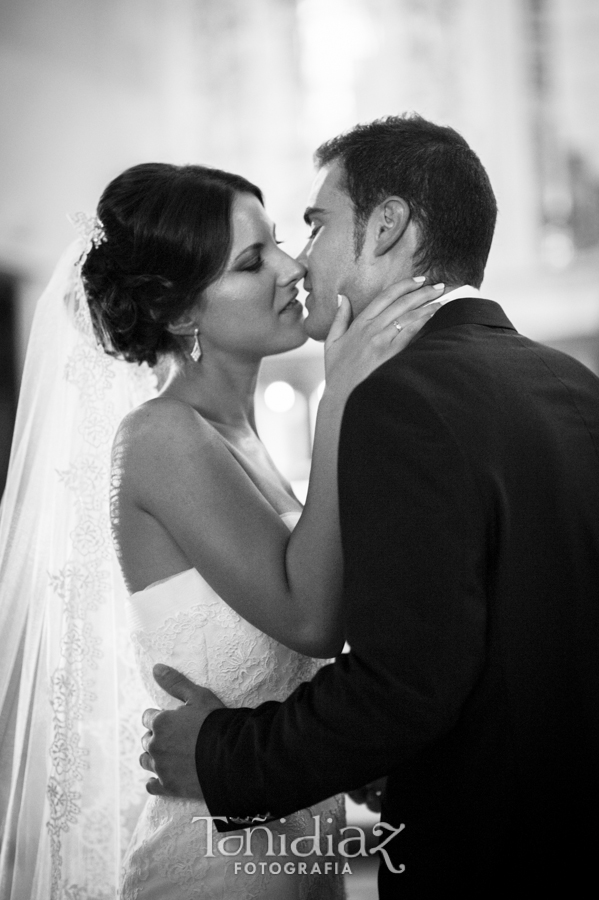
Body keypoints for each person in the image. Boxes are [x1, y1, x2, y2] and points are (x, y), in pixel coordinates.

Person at [141, 115, 599, 897]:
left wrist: (221, 754)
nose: (300, 260)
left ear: (386, 227)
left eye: (317, 225)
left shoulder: (401, 398)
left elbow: (405, 686)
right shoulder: (569, 384)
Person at [0, 161, 439, 900]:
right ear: (180, 315)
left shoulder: (240, 432)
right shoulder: (162, 436)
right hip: (217, 867)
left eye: (277, 242)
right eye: (251, 260)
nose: (293, 265)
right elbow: (310, 618)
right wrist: (339, 401)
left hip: (295, 847)